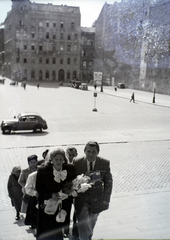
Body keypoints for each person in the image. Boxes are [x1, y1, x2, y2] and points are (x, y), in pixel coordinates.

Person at [73, 141, 113, 240]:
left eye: (93, 152)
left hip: (97, 200)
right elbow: (71, 180)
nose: (91, 154)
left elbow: (108, 183)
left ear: (98, 152)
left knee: (90, 224)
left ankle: (87, 237)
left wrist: (106, 200)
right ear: (84, 151)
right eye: (88, 151)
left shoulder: (104, 163)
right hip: (81, 200)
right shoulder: (76, 162)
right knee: (83, 224)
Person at [36, 148, 76, 240]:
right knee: (49, 230)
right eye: (56, 159)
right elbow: (39, 189)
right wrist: (51, 195)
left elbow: (74, 183)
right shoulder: (43, 170)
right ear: (51, 160)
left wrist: (71, 190)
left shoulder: (69, 168)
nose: (58, 161)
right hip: (48, 206)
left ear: (64, 159)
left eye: (61, 159)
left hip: (63, 206)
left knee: (59, 229)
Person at [65, 146, 79, 239]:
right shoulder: (64, 164)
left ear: (76, 155)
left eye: (73, 155)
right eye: (69, 155)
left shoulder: (79, 163)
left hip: (77, 192)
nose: (71, 157)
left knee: (76, 212)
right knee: (66, 211)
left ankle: (75, 231)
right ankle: (66, 230)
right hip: (66, 193)